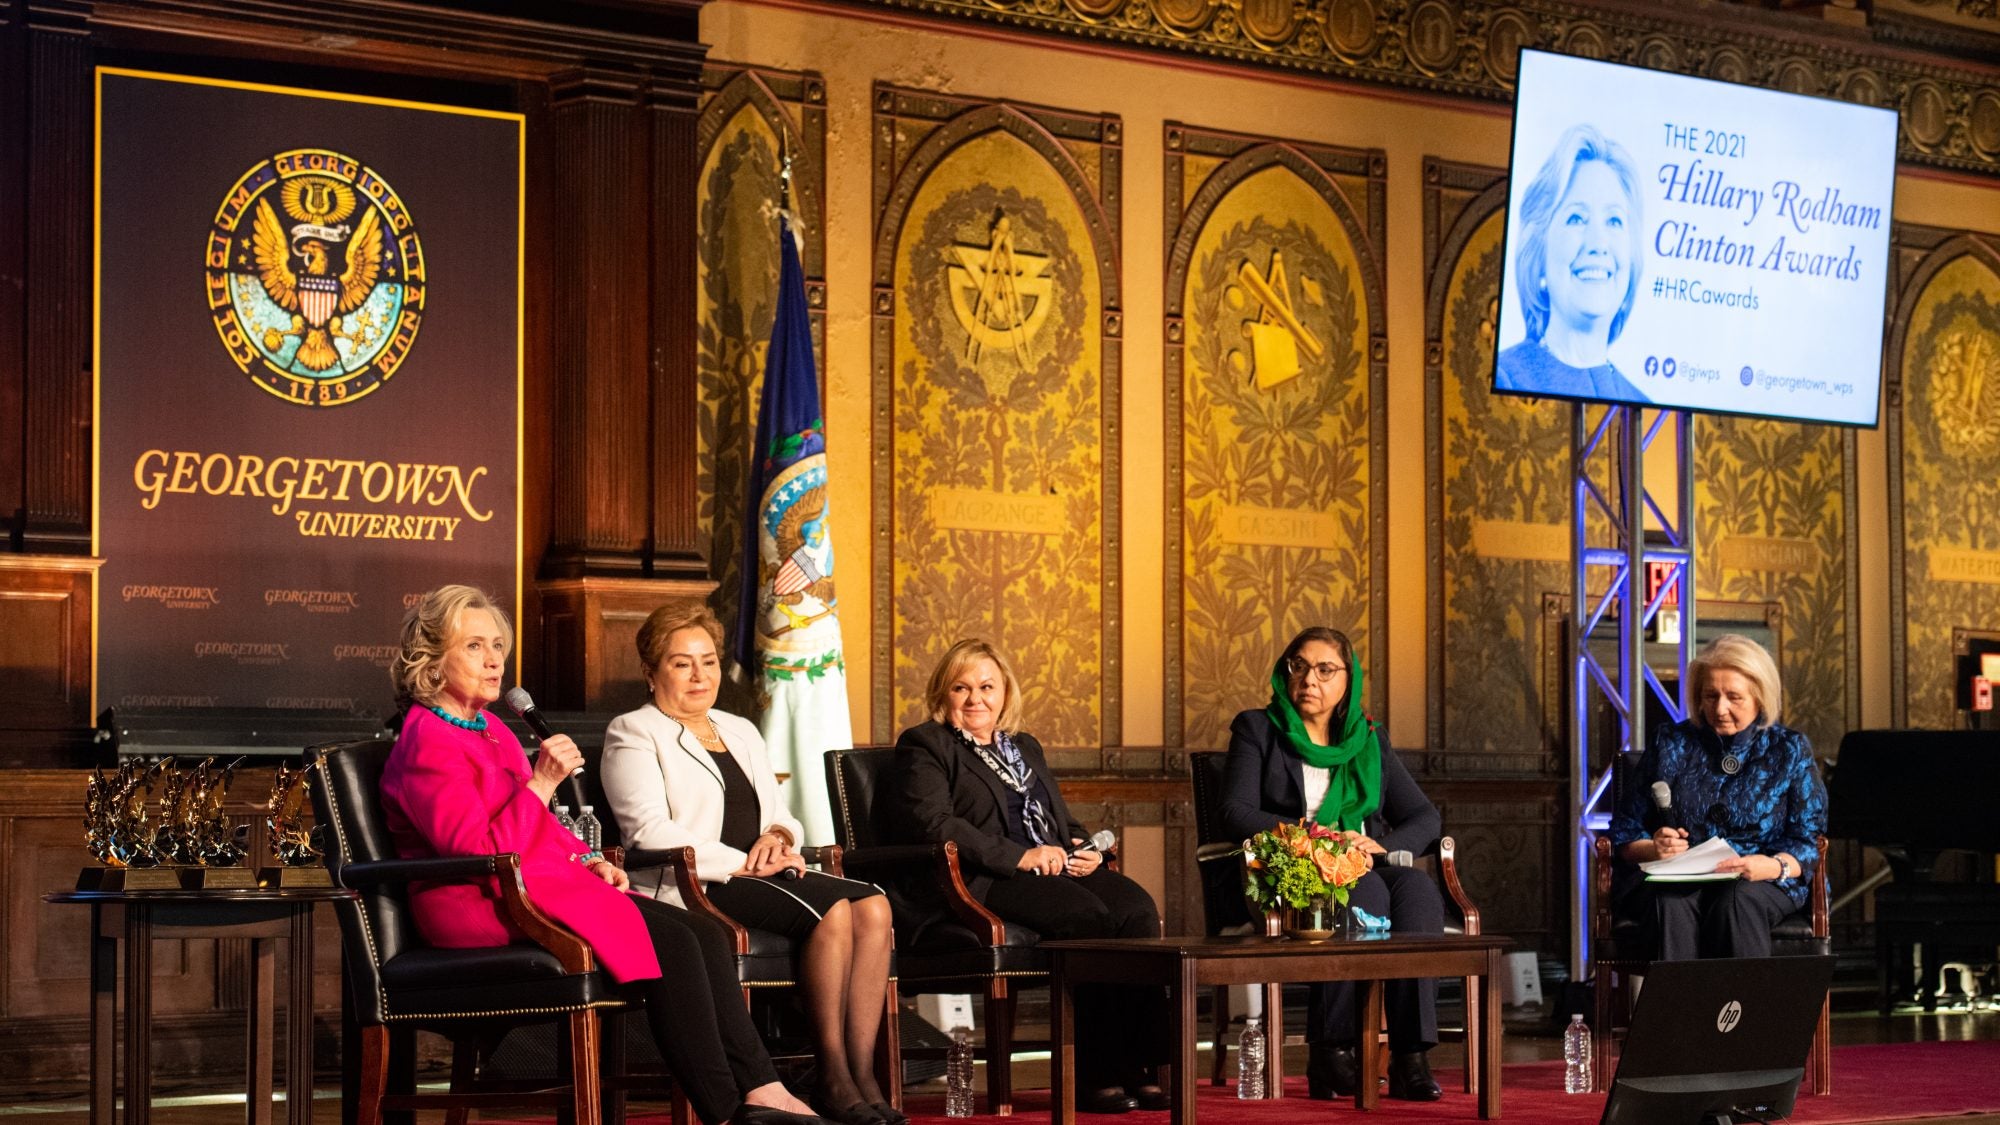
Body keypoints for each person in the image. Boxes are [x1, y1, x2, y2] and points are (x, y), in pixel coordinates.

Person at [377, 585, 825, 1125]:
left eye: (497, 644)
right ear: (430, 659)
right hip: (478, 903)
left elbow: (538, 826)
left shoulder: (489, 726)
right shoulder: (427, 739)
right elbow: (472, 847)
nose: (495, 659)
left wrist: (587, 860)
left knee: (703, 932)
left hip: (539, 886)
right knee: (677, 943)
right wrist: (542, 782)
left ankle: (764, 1088)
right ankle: (726, 1111)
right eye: (474, 646)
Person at [602, 603, 900, 1125]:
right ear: (651, 673)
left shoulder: (739, 728)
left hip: (766, 873)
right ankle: (831, 1075)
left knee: (873, 905)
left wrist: (780, 836)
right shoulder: (634, 731)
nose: (700, 676)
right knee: (832, 912)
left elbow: (782, 814)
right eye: (681, 663)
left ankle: (861, 1074)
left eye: (709, 661)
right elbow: (647, 831)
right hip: (699, 885)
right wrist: (744, 861)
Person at [890, 638, 1168, 1115]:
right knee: (1086, 917)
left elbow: (1057, 819)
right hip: (983, 879)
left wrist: (1085, 849)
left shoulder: (1023, 746)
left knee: (1136, 910)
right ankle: (1094, 1070)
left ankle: (1138, 1063)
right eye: (961, 687)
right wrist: (1019, 858)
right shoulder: (926, 745)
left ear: (1004, 693)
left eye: (986, 686)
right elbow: (936, 824)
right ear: (943, 694)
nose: (976, 698)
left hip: (1054, 866)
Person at [1218, 626, 1447, 1102]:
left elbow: (1425, 817)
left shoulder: (1368, 739)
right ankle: (1332, 1050)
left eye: (1325, 669)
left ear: (1349, 679)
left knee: (1417, 891)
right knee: (1362, 892)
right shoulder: (1257, 728)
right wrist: (1316, 837)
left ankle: (1410, 1057)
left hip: (1363, 860)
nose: (1309, 679)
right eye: (1298, 666)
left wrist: (1376, 847)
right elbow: (1234, 812)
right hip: (1292, 868)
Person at [1609, 634, 1827, 961]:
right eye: (1711, 696)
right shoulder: (1669, 742)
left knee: (1737, 901)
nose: (1720, 708)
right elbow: (1625, 832)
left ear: (1760, 697)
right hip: (1679, 878)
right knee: (1670, 902)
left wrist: (1771, 865)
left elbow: (1808, 840)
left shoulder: (1789, 749)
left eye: (1734, 697)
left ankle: (1746, 1012)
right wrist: (1654, 848)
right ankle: (1680, 1012)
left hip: (1760, 878)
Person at [1495, 123, 1649, 403]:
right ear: (1538, 254)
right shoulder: (1509, 376)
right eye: (1576, 218)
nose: (1598, 243)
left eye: (1614, 220)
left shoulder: (1640, 400)